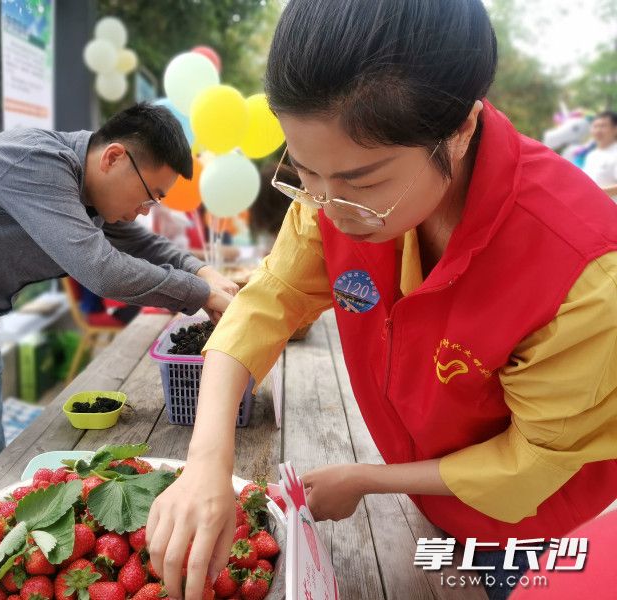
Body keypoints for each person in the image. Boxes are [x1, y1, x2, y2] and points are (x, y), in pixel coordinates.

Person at [145, 2, 617, 599]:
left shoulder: (582, 269)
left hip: (532, 530)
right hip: (428, 488)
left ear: (463, 128)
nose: (327, 207)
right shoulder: (335, 196)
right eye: (305, 173)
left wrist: (370, 479)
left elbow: (534, 461)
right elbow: (270, 297)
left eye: (362, 183)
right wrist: (206, 460)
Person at [0, 103, 238, 546]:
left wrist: (203, 273)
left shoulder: (88, 193)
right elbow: (102, 269)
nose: (146, 211)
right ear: (113, 158)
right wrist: (199, 295)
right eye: (150, 195)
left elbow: (139, 243)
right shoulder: (35, 164)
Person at [582, 111, 617, 199]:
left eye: (603, 126)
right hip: (591, 209)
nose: (598, 130)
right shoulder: (591, 156)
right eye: (595, 126)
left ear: (615, 129)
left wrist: (595, 194)